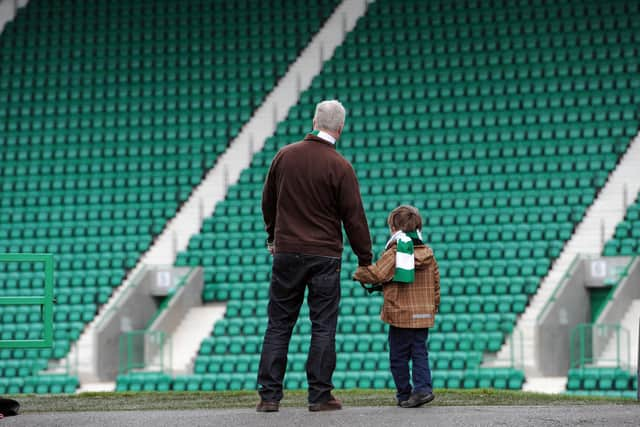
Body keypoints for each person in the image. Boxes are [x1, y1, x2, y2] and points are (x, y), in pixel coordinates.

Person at [256, 100, 373, 412]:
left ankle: (269, 396)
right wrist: (365, 259)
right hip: (324, 255)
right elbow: (354, 218)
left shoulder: (285, 156)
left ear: (314, 121)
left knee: (279, 324)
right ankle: (319, 395)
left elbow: (268, 201)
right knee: (322, 325)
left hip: (286, 251)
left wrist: (273, 234)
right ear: (340, 127)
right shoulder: (340, 166)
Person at [353, 205, 440, 408]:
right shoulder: (429, 254)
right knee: (419, 352)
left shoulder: (395, 253)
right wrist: (433, 307)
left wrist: (358, 273)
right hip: (422, 314)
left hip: (400, 314)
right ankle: (423, 389)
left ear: (394, 227)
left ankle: (403, 393)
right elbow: (436, 283)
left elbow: (377, 274)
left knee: (398, 356)